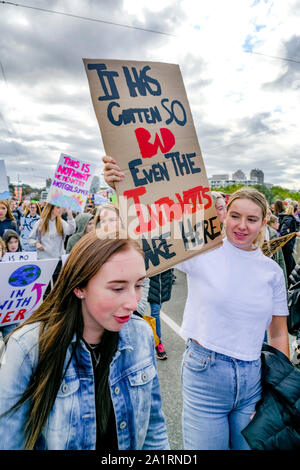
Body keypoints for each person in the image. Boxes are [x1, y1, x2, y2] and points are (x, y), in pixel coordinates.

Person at [0, 231, 169, 450]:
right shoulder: (27, 347)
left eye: (138, 285)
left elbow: (154, 428)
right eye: (117, 288)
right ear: (79, 288)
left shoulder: (141, 334)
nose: (132, 303)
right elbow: (9, 440)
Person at [27, 203, 75, 295]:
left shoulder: (61, 222)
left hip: (58, 261)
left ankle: (57, 308)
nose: (60, 209)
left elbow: (71, 231)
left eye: (61, 207)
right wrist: (36, 243)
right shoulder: (40, 223)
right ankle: (47, 308)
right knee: (46, 290)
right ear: (51, 209)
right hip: (44, 261)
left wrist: (70, 215)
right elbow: (30, 239)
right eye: (58, 207)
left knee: (58, 289)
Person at [279, 204, 299, 282]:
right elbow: (283, 231)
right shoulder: (290, 219)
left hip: (287, 247)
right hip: (287, 247)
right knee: (290, 269)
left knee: (292, 267)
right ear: (295, 210)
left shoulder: (288, 218)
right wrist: (294, 233)